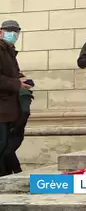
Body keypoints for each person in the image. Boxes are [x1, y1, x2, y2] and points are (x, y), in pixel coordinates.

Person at [0, 20, 31, 176]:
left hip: (9, 108)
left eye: (16, 31)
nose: (13, 34)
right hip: (2, 107)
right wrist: (16, 83)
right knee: (3, 145)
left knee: (6, 145)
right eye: (9, 30)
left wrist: (21, 79)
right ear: (1, 32)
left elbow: (10, 74)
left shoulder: (9, 51)